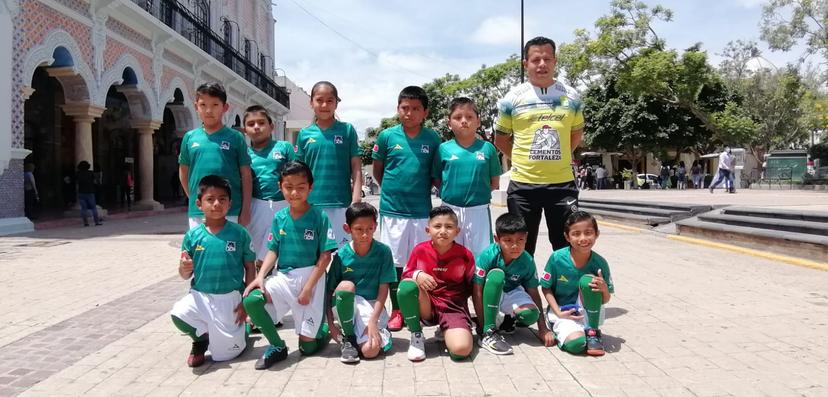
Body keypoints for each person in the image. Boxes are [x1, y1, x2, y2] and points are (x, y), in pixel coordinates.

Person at [494, 36, 584, 255]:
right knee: (520, 249)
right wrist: (522, 160)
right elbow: (501, 139)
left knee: (566, 248)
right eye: (536, 60)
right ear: (526, 64)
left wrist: (559, 155)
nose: (542, 64)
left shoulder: (571, 96)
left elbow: (576, 134)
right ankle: (521, 290)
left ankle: (564, 290)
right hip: (524, 187)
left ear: (555, 61)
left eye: (547, 59)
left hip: (562, 186)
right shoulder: (512, 99)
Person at [242, 161, 336, 370]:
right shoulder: (279, 218)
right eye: (288, 187)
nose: (294, 192)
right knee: (252, 300)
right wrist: (261, 276)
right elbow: (273, 249)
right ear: (280, 186)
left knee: (307, 348)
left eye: (301, 187)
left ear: (311, 187)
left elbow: (325, 256)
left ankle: (322, 332)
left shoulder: (319, 216)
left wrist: (309, 288)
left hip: (311, 278)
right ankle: (277, 346)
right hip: (283, 277)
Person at [372, 86, 442, 331]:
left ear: (425, 112)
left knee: (422, 263)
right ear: (397, 109)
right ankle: (398, 310)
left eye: (415, 109)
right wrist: (392, 191)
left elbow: (436, 176)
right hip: (393, 212)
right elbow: (378, 171)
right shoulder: (387, 136)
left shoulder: (433, 138)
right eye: (404, 108)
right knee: (395, 264)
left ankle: (423, 307)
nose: (409, 113)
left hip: (422, 211)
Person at [170, 175, 256, 367]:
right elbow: (185, 274)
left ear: (230, 203)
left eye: (222, 199)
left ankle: (245, 330)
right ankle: (200, 340)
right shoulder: (193, 236)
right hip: (201, 296)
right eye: (210, 199)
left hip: (230, 298)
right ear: (199, 204)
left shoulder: (240, 233)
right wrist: (183, 268)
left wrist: (246, 302)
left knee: (227, 355)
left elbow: (250, 267)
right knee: (178, 313)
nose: (216, 204)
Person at [396, 206, 475, 362]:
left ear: (457, 231)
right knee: (407, 286)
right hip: (427, 304)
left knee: (461, 350)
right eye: (437, 226)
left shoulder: (465, 255)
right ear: (428, 230)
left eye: (449, 227)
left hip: (453, 307)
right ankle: (416, 334)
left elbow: (471, 287)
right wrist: (417, 275)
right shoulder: (419, 250)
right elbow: (406, 274)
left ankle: (447, 330)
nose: (443, 231)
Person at [472, 213, 553, 355]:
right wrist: (482, 324)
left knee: (531, 314)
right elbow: (477, 290)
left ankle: (507, 321)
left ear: (526, 237)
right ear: (497, 239)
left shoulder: (527, 260)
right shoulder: (487, 255)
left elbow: (533, 292)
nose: (515, 246)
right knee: (497, 276)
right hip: (490, 294)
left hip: (511, 292)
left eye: (520, 240)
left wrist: (543, 327)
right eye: (508, 240)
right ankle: (489, 331)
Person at [325, 202, 396, 363]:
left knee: (370, 352)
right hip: (347, 307)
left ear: (375, 227)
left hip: (372, 307)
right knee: (345, 286)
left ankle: (378, 332)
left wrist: (373, 321)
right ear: (347, 228)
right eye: (358, 229)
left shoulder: (384, 252)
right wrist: (330, 324)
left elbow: (383, 290)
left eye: (369, 229)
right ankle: (349, 338)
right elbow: (329, 292)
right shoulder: (342, 255)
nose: (365, 234)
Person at [433, 97, 502, 256]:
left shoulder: (488, 148)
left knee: (480, 254)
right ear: (449, 123)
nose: (464, 121)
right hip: (450, 209)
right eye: (458, 117)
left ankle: (478, 281)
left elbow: (494, 181)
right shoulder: (443, 149)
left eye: (469, 117)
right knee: (449, 251)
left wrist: (475, 195)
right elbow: (437, 179)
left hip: (478, 211)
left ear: (478, 121)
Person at [297, 81, 363, 248]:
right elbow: (299, 172)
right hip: (312, 204)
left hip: (342, 203)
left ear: (336, 103)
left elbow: (356, 166)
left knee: (343, 253)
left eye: (330, 100)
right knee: (314, 253)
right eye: (319, 100)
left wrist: (356, 197)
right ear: (311, 103)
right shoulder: (305, 134)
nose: (324, 105)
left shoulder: (347, 130)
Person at [178, 82, 253, 229]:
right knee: (202, 250)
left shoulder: (236, 137)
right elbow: (184, 172)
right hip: (199, 213)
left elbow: (246, 174)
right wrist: (196, 198)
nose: (208, 110)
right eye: (203, 105)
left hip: (230, 211)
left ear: (225, 107)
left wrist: (245, 209)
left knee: (230, 251)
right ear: (196, 106)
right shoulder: (189, 137)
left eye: (215, 105)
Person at [541, 211, 614, 356]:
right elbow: (546, 287)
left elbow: (604, 300)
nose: (583, 238)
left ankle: (592, 331)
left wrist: (604, 289)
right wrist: (558, 312)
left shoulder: (600, 263)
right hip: (564, 312)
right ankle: (559, 326)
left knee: (588, 280)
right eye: (576, 234)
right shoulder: (557, 258)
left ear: (597, 234)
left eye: (588, 233)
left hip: (589, 313)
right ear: (567, 237)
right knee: (577, 344)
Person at [243, 105, 295, 268]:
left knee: (281, 251)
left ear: (271, 126)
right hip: (256, 206)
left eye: (261, 122)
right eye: (251, 124)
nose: (256, 127)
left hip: (283, 205)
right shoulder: (244, 153)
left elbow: (296, 173)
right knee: (257, 255)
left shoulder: (284, 147)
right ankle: (258, 290)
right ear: (245, 130)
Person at [76, 161, 102, 226]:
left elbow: (76, 183)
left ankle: (86, 222)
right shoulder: (91, 173)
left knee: (83, 208)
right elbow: (95, 181)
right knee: (93, 207)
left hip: (81, 192)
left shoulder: (78, 173)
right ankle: (96, 222)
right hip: (90, 192)